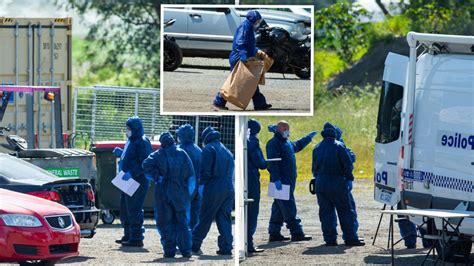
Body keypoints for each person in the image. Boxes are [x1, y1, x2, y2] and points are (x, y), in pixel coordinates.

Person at [142, 132, 195, 258]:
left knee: (165, 222)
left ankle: (169, 250)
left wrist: (156, 177)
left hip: (163, 192)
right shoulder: (182, 153)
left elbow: (145, 165)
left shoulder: (157, 155)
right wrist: (188, 193)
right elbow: (191, 174)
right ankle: (186, 250)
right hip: (180, 192)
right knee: (182, 222)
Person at [312, 122, 364, 247]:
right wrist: (349, 178)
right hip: (337, 182)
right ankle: (350, 238)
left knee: (325, 212)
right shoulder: (340, 146)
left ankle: (330, 239)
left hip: (321, 182)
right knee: (345, 210)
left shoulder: (317, 147)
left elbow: (314, 169)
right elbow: (347, 165)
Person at [266, 120, 316, 242]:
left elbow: (296, 146)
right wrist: (277, 179)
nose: (287, 132)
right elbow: (273, 163)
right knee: (289, 207)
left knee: (278, 207)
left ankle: (274, 233)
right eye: (284, 129)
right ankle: (297, 232)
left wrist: (307, 138)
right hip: (281, 181)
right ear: (278, 129)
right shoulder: (273, 143)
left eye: (288, 129)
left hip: (287, 181)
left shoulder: (286, 142)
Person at [213, 10, 272, 111]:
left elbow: (249, 44)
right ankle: (219, 101)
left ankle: (260, 104)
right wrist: (243, 56)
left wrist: (257, 51)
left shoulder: (248, 27)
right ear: (253, 20)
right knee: (236, 82)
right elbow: (241, 43)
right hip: (239, 58)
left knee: (250, 81)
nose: (258, 23)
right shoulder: (245, 27)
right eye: (257, 20)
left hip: (242, 58)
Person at [192, 127, 234, 256]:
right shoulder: (227, 151)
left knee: (205, 216)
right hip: (228, 187)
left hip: (214, 186)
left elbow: (205, 171)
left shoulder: (208, 149)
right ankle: (226, 247)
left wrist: (201, 185)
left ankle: (194, 244)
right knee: (224, 218)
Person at [112, 116, 152, 247]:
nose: (127, 130)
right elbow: (132, 157)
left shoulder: (143, 141)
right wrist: (121, 153)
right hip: (128, 181)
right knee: (125, 208)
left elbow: (145, 163)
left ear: (135, 129)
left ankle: (136, 238)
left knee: (134, 209)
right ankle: (128, 234)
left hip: (138, 181)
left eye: (129, 128)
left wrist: (132, 173)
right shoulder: (131, 140)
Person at [247, 119, 267, 253]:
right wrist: (265, 163)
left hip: (245, 178)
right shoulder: (253, 142)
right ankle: (249, 243)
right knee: (252, 211)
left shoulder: (243, 140)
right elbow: (260, 162)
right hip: (252, 179)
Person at [176, 124, 202, 231]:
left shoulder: (179, 151)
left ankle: (183, 240)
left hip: (183, 187)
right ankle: (192, 239)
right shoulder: (199, 150)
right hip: (197, 187)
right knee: (194, 215)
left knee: (181, 214)